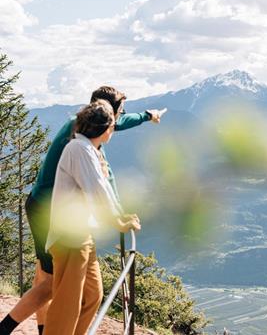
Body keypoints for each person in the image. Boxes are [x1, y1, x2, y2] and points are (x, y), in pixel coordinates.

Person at [0, 86, 166, 335]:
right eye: (119, 113)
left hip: (62, 215)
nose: (119, 120)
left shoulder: (87, 139)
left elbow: (105, 179)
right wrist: (117, 218)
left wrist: (146, 115)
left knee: (76, 288)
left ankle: (39, 329)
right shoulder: (80, 142)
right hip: (50, 211)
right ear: (106, 118)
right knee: (55, 282)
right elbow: (100, 184)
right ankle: (12, 328)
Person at [43, 99, 140, 335]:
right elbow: (96, 189)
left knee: (92, 296)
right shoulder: (80, 150)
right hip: (70, 238)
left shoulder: (87, 149)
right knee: (67, 305)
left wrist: (119, 215)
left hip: (81, 236)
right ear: (106, 128)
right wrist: (117, 221)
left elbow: (101, 187)